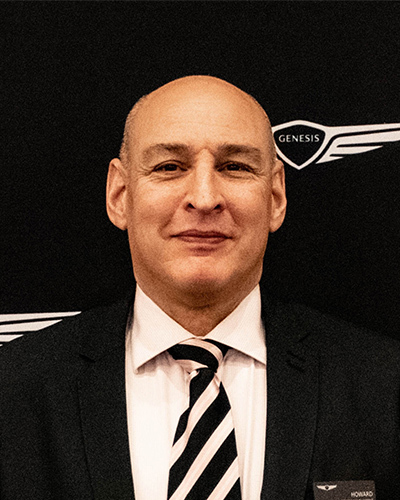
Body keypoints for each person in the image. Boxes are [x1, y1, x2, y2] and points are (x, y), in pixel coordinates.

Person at [0, 76, 399, 500]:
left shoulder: (383, 389)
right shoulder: (14, 392)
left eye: (235, 167)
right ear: (119, 194)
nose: (205, 198)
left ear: (276, 196)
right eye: (169, 167)